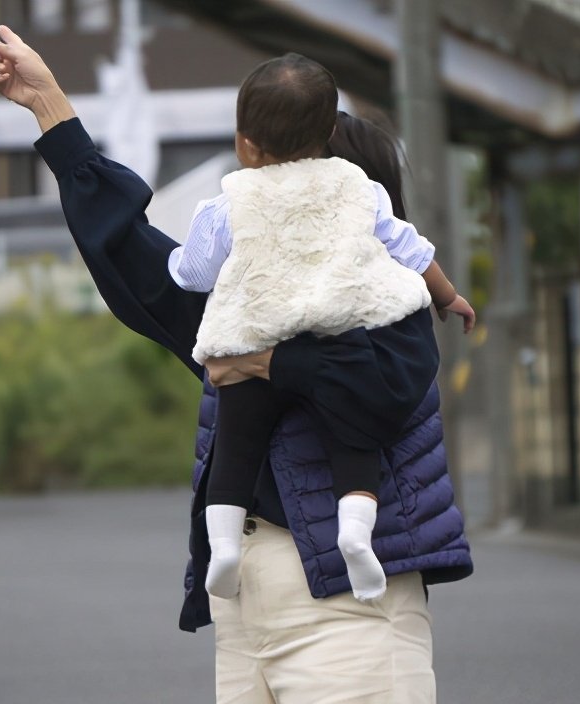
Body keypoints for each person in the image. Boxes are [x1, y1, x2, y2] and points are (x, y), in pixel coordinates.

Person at [0, 25, 472, 704]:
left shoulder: (391, 298)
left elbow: (379, 391)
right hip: (247, 609)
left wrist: (268, 360)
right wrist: (50, 109)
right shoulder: (241, 300)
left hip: (351, 611)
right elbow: (135, 257)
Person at [170, 53, 475, 602]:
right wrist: (449, 296)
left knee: (238, 441)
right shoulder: (360, 189)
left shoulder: (230, 201)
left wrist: (183, 261)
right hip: (341, 335)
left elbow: (194, 272)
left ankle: (225, 548)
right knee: (352, 436)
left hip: (257, 339)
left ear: (245, 143)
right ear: (331, 130)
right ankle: (355, 535)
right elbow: (409, 248)